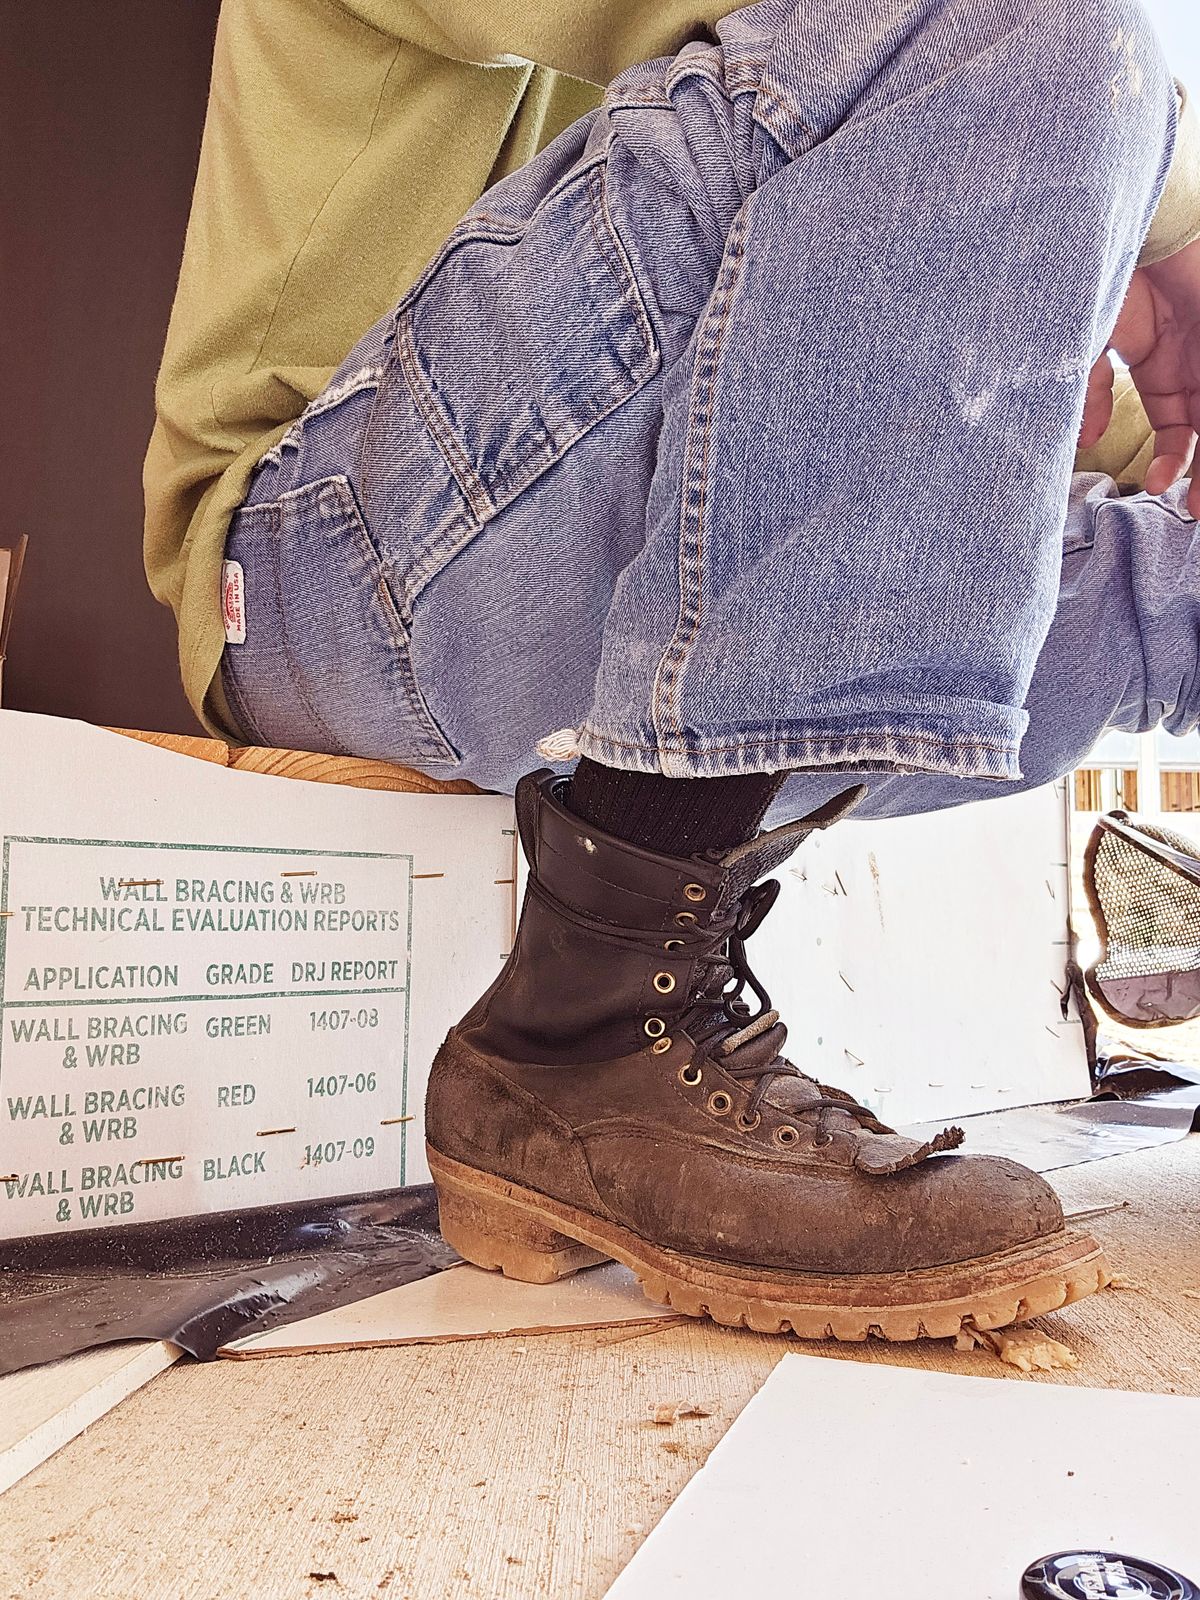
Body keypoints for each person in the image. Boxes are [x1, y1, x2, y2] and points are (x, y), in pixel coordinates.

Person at [147, 0, 1200, 1340]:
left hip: (627, 562)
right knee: (1044, 22)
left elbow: (944, 413)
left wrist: (1074, 310)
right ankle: (588, 1031)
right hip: (330, 566)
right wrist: (1159, 204)